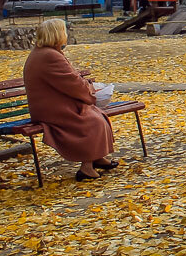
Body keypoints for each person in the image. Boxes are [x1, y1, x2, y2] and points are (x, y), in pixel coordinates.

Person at [23, 19, 118, 181]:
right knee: (91, 119)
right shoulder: (49, 56)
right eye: (63, 31)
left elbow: (69, 81)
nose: (66, 34)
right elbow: (73, 83)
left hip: (52, 104)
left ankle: (96, 157)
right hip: (51, 109)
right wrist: (91, 91)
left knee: (96, 114)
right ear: (57, 34)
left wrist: (88, 90)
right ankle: (86, 167)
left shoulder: (45, 53)